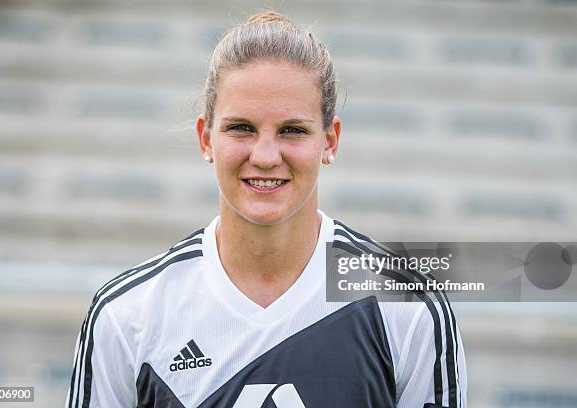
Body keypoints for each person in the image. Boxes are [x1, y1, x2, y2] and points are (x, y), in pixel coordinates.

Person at [66, 10, 467, 408]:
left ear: (330, 141)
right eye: (241, 128)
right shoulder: (127, 315)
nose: (265, 156)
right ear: (206, 139)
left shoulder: (407, 308)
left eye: (292, 130)